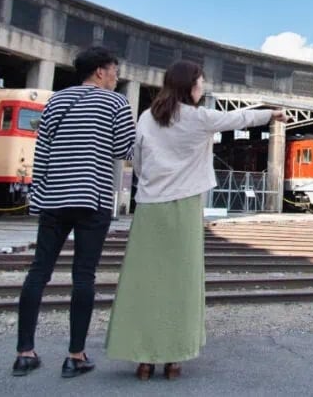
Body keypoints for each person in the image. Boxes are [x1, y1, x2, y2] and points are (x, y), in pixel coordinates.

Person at [105, 60, 285, 380]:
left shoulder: (147, 117)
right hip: (185, 206)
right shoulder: (199, 118)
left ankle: (143, 359)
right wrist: (270, 114)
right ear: (190, 85)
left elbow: (140, 160)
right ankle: (174, 358)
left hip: (149, 207)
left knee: (144, 282)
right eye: (200, 82)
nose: (202, 88)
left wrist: (152, 186)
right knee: (181, 283)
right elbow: (237, 118)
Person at [13, 46, 137, 378]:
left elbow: (43, 150)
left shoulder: (55, 100)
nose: (116, 77)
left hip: (53, 198)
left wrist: (38, 195)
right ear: (100, 71)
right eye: (114, 70)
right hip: (91, 197)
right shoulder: (116, 102)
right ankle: (75, 356)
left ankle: (25, 353)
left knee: (38, 272)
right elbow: (124, 147)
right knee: (83, 276)